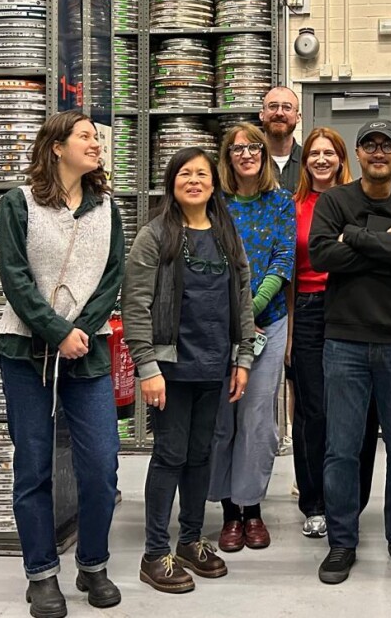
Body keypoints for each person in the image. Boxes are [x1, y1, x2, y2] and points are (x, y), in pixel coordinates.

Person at [0, 110, 125, 616]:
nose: (96, 144)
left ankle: (92, 563)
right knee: (33, 468)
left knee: (101, 466)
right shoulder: (18, 203)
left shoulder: (106, 207)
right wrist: (55, 331)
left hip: (86, 356)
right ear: (56, 147)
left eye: (97, 138)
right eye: (86, 137)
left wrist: (81, 332)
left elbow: (112, 275)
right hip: (25, 353)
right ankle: (41, 574)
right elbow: (14, 275)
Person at [123, 147, 255, 594]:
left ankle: (191, 541)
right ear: (172, 183)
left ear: (214, 184)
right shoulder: (155, 236)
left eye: (202, 173)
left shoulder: (225, 234)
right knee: (169, 456)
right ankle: (154, 552)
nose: (194, 180)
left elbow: (242, 297)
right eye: (185, 173)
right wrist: (147, 366)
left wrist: (242, 359)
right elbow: (136, 305)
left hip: (215, 365)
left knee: (201, 456)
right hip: (170, 368)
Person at [308, 119, 391, 585]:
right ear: (357, 154)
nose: (378, 152)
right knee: (341, 450)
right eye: (369, 145)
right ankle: (341, 542)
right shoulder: (334, 200)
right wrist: (388, 242)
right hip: (344, 341)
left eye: (387, 145)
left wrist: (356, 237)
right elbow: (322, 256)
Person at [285, 127, 382, 539]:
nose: (321, 159)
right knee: (314, 411)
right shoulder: (291, 206)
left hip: (354, 308)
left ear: (343, 159)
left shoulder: (358, 205)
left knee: (361, 411)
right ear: (305, 161)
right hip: (307, 310)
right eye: (313, 153)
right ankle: (316, 503)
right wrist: (289, 332)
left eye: (330, 153)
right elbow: (287, 271)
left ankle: (352, 502)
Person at [210, 123, 295, 551]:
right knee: (223, 421)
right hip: (217, 326)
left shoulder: (280, 201)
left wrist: (251, 311)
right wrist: (233, 318)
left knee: (258, 421)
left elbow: (283, 260)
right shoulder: (214, 203)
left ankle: (252, 508)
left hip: (268, 322)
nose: (246, 154)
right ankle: (228, 511)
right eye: (238, 148)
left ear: (264, 155)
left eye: (254, 148)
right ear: (227, 156)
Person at [260, 86, 303, 192]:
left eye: (287, 107)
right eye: (273, 106)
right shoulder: (250, 160)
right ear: (262, 115)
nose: (279, 113)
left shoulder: (308, 161)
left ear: (298, 117)